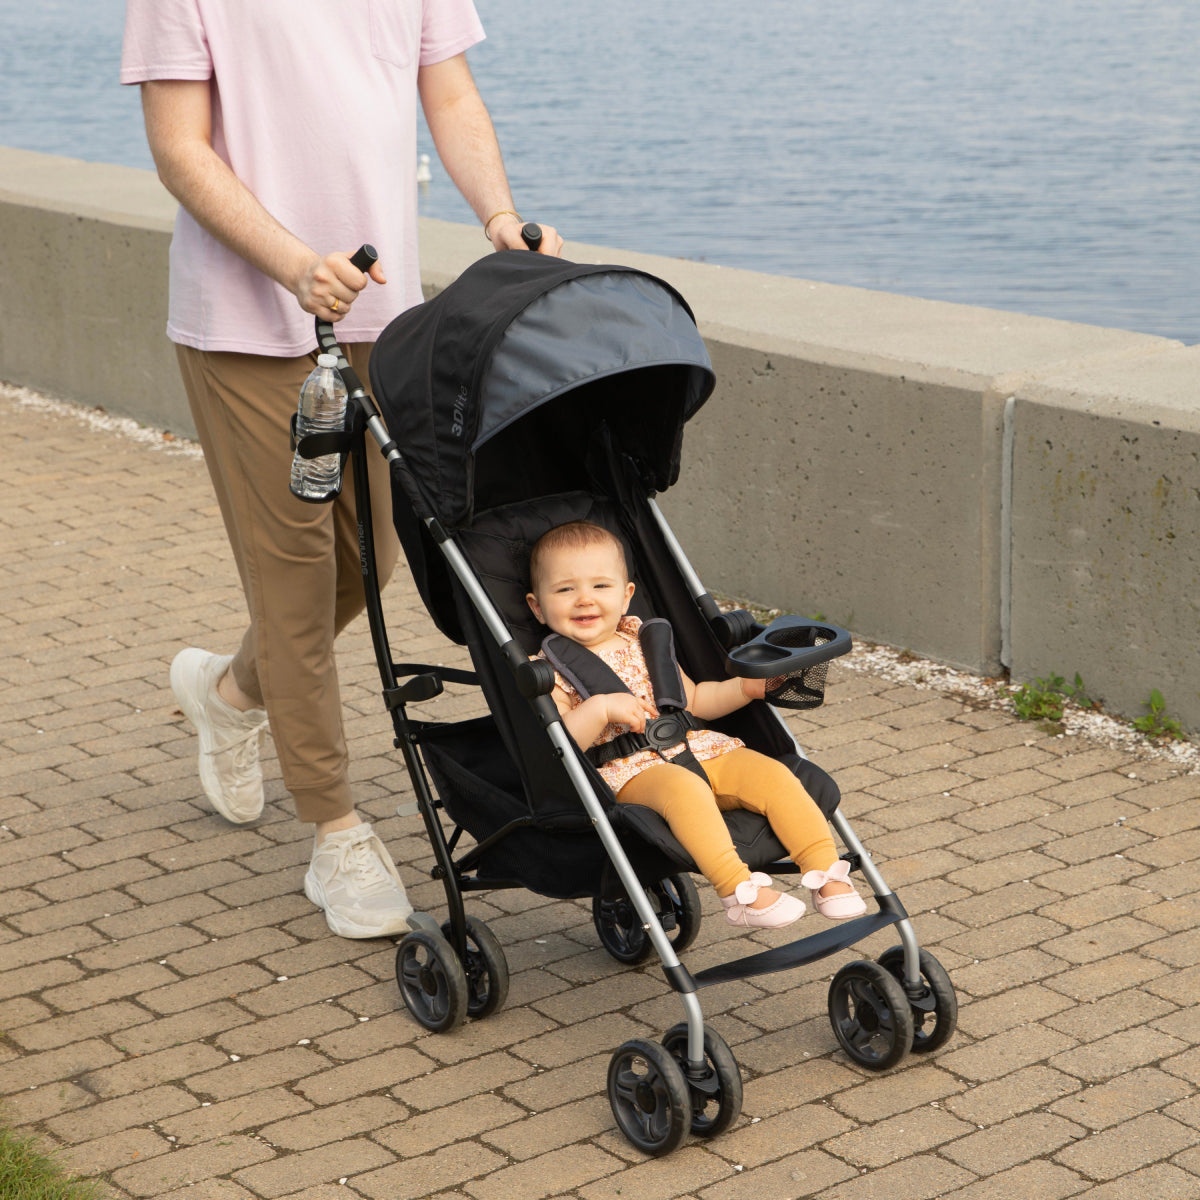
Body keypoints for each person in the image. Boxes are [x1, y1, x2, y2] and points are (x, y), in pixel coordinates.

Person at [121, 0, 562, 940]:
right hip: (247, 324)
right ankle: (335, 830)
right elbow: (179, 148)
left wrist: (498, 213)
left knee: (369, 562)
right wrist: (293, 265)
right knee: (293, 579)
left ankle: (230, 694)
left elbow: (450, 93)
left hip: (379, 316)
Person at [525, 521, 867, 929]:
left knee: (775, 775)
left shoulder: (645, 643)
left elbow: (696, 700)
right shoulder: (548, 671)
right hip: (632, 771)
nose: (585, 599)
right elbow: (559, 744)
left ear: (626, 595)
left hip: (699, 747)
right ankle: (739, 892)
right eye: (565, 590)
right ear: (537, 607)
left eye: (601, 586)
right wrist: (598, 709)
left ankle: (825, 872)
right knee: (684, 789)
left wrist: (745, 688)